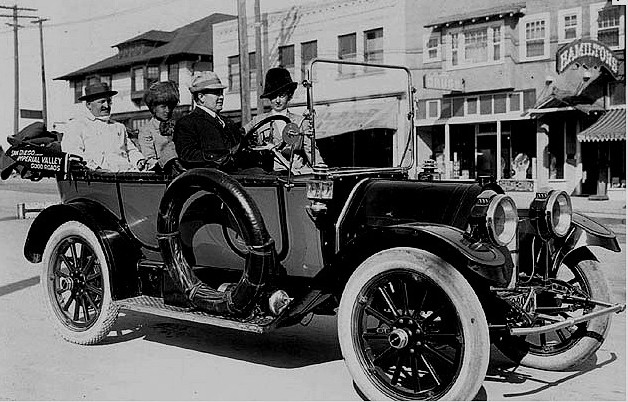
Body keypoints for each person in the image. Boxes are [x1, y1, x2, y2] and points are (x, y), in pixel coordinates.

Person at [243, 67, 321, 174]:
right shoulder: (258, 121)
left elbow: (311, 151)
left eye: (282, 95)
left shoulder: (301, 122)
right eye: (274, 96)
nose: (278, 100)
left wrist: (321, 168)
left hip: (296, 174)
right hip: (270, 175)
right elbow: (240, 137)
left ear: (289, 96)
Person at [61, 82, 147, 171]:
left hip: (125, 174)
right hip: (94, 178)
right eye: (101, 102)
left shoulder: (119, 127)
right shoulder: (77, 126)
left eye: (109, 102)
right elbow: (74, 154)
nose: (106, 106)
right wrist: (96, 169)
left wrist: (139, 160)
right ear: (88, 105)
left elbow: (130, 150)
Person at [173, 71, 242, 170]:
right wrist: (221, 157)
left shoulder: (228, 122)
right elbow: (187, 155)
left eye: (221, 93)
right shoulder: (187, 123)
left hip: (236, 176)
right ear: (201, 97)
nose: (221, 97)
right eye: (216, 93)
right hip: (208, 179)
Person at [138, 81, 185, 175]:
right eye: (163, 107)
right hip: (163, 173)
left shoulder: (178, 125)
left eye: (170, 106)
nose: (167, 111)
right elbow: (149, 159)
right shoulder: (147, 131)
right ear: (153, 108)